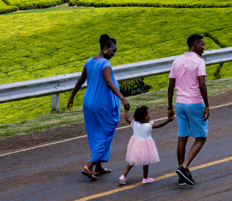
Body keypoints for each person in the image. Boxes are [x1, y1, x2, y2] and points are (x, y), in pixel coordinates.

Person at [68, 34, 130, 180]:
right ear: (105, 48)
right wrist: (122, 98)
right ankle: (90, 165)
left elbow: (80, 80)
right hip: (101, 104)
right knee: (107, 133)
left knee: (97, 133)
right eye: (113, 51)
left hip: (88, 103)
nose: (114, 54)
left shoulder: (89, 61)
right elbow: (109, 82)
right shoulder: (105, 64)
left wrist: (72, 97)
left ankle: (98, 167)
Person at [167, 33, 210, 186]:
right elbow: (202, 85)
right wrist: (207, 105)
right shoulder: (199, 62)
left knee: (182, 138)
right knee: (201, 137)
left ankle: (181, 176)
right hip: (194, 103)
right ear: (196, 45)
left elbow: (171, 85)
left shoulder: (176, 61)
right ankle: (184, 167)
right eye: (202, 45)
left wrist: (170, 107)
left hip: (179, 104)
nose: (204, 49)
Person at [118, 105, 173, 185]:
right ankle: (145, 178)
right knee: (145, 162)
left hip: (135, 146)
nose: (149, 115)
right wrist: (168, 120)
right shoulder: (148, 126)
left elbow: (127, 118)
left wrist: (126, 110)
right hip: (145, 147)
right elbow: (160, 125)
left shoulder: (134, 123)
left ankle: (123, 176)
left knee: (131, 162)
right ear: (145, 117)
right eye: (148, 114)